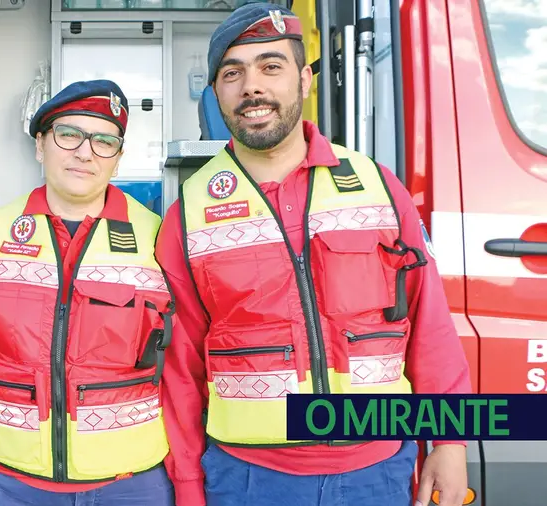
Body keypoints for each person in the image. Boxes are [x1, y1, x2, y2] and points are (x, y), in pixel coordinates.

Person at [154, 3, 473, 506]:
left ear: (304, 80)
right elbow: (180, 370)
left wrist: (450, 441)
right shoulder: (189, 214)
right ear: (216, 92)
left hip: (379, 472)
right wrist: (190, 487)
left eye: (271, 66)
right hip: (247, 478)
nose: (252, 87)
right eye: (232, 73)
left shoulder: (378, 189)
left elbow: (428, 323)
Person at [0, 79, 195, 505]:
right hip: (12, 480)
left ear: (118, 159)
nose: (85, 152)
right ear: (40, 145)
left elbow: (183, 360)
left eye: (105, 141)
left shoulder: (159, 238)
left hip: (130, 483)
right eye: (69, 135)